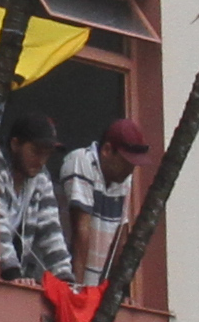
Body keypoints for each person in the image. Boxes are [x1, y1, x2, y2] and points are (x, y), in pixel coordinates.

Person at [66, 118, 157, 285]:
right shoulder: (82, 160)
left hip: (93, 287)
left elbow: (120, 238)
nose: (130, 170)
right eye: (126, 162)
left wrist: (114, 289)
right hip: (63, 279)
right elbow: (81, 230)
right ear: (107, 150)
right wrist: (77, 289)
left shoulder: (124, 179)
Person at [0, 112, 74, 280]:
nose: (41, 161)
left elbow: (51, 229)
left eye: (47, 154)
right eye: (36, 152)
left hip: (12, 275)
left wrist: (64, 277)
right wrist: (12, 273)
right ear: (15, 144)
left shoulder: (41, 177)